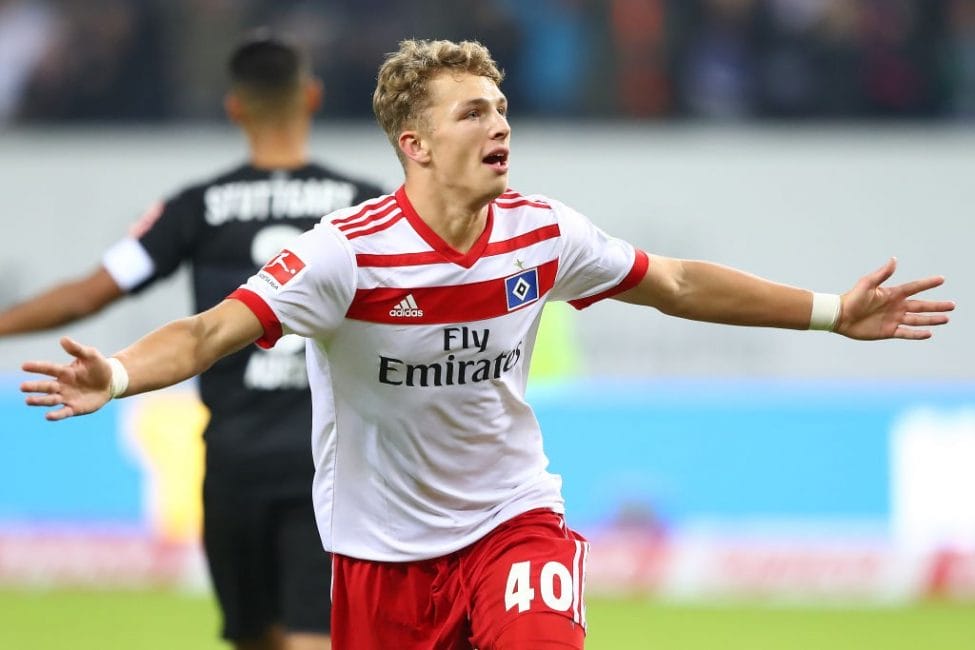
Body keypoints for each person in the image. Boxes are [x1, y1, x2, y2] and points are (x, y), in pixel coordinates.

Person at [20, 39, 953, 650]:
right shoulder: (346, 256)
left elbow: (672, 282)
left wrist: (833, 310)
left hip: (510, 523)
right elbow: (207, 330)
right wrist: (113, 372)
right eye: (471, 112)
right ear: (413, 143)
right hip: (377, 558)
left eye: (501, 107)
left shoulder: (541, 232)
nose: (498, 123)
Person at [6, 34, 384, 650]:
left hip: (233, 461)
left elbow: (90, 294)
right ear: (311, 97)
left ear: (234, 107)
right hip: (331, 463)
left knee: (257, 638)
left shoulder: (197, 208)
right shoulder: (362, 206)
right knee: (315, 637)